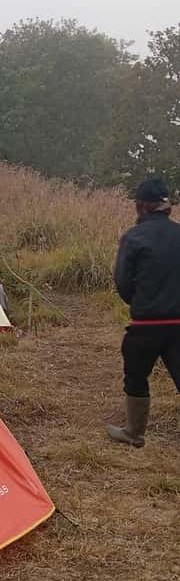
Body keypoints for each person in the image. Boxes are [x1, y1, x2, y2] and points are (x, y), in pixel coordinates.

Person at [107, 177, 180, 448]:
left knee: (136, 377)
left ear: (141, 205)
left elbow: (123, 282)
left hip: (146, 324)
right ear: (165, 205)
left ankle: (134, 433)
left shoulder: (133, 238)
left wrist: (140, 303)